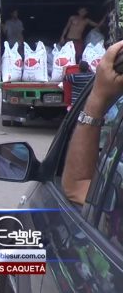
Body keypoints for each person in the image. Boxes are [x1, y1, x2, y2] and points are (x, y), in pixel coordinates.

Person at [62, 40, 123, 205]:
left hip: (74, 106)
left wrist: (97, 96)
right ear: (88, 68)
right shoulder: (89, 75)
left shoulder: (74, 76)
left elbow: (77, 187)